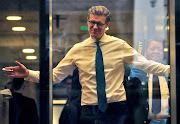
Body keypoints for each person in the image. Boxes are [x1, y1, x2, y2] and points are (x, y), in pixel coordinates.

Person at [3, 6, 170, 124]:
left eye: (99, 24)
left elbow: (146, 65)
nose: (94, 27)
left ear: (107, 25)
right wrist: (28, 74)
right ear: (88, 21)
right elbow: (55, 76)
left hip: (116, 109)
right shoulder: (78, 49)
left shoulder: (119, 45)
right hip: (88, 111)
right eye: (92, 22)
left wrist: (173, 70)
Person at [129, 39, 170, 124]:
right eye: (152, 48)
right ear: (145, 52)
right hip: (143, 119)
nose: (156, 51)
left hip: (167, 120)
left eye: (159, 49)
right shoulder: (138, 70)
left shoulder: (169, 71)